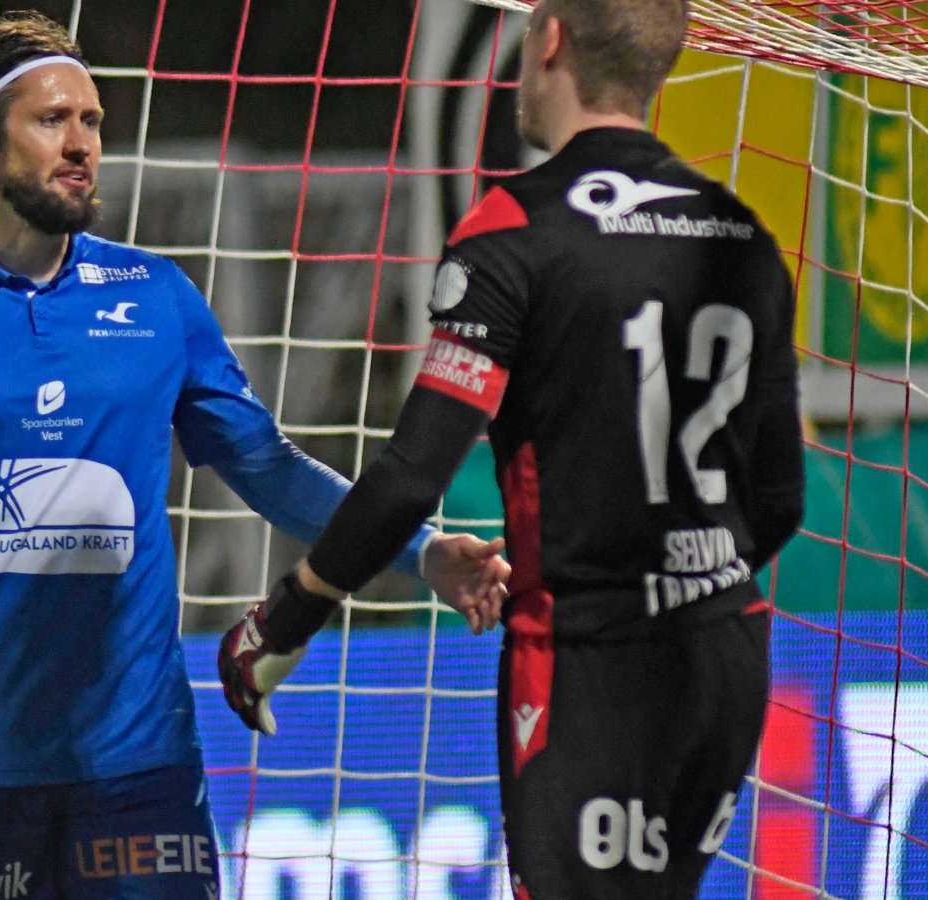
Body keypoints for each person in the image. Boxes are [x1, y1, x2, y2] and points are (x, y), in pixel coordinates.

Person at [0, 11, 509, 900]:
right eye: (52, 120)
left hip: (138, 767)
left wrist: (420, 550)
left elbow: (268, 467)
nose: (82, 143)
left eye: (91, 120)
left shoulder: (156, 297)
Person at [218, 0, 806, 897]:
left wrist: (285, 620)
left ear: (551, 39)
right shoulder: (743, 236)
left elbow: (412, 475)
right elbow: (781, 500)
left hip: (590, 662)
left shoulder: (513, 229)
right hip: (724, 653)